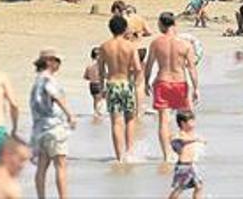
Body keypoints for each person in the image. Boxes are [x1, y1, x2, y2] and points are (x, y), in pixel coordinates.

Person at [144, 12, 198, 163]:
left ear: (161, 25)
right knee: (185, 119)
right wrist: (196, 88)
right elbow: (192, 68)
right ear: (174, 24)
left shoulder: (156, 43)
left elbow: (149, 64)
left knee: (163, 120)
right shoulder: (185, 44)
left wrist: (146, 81)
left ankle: (167, 155)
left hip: (162, 81)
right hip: (180, 82)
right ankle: (186, 152)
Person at [29, 49, 76, 199]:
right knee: (61, 165)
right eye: (57, 61)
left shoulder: (37, 80)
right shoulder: (48, 80)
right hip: (53, 127)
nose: (59, 64)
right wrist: (70, 114)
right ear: (49, 61)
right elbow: (55, 96)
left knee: (42, 166)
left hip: (39, 129)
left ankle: (41, 196)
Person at [98, 16, 142, 162]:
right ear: (124, 29)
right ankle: (129, 152)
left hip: (111, 84)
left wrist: (102, 87)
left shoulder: (104, 46)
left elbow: (100, 70)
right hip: (125, 83)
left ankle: (119, 156)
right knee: (130, 119)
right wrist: (135, 84)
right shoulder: (130, 46)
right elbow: (137, 68)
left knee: (116, 121)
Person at [169, 111, 205, 199]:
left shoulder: (191, 135)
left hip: (192, 165)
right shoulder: (180, 135)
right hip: (183, 167)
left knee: (199, 186)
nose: (194, 123)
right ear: (183, 123)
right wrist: (195, 139)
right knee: (179, 188)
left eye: (194, 120)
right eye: (191, 121)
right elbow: (177, 139)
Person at [82, 47, 104, 118]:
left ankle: (95, 112)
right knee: (100, 99)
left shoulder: (89, 66)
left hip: (92, 84)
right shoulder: (99, 65)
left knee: (95, 99)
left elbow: (85, 77)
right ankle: (97, 112)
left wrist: (91, 77)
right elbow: (103, 74)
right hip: (99, 84)